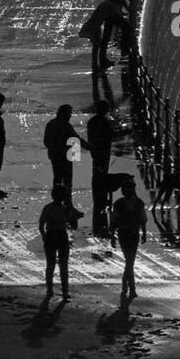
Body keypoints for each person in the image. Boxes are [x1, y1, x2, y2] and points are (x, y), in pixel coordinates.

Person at [44, 104, 89, 210]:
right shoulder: (66, 125)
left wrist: (54, 149)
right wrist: (89, 147)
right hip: (66, 156)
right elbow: (76, 139)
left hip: (56, 156)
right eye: (69, 113)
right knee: (67, 180)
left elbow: (46, 142)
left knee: (57, 178)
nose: (70, 116)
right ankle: (68, 203)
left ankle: (57, 200)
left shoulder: (51, 124)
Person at [111, 179, 148, 299]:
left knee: (129, 261)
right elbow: (114, 220)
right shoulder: (119, 204)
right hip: (124, 233)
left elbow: (143, 219)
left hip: (133, 233)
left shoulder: (138, 203)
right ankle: (130, 287)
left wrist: (144, 233)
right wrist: (112, 236)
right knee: (129, 260)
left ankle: (127, 286)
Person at [87, 100, 118, 237]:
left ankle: (99, 194)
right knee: (101, 173)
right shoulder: (103, 122)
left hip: (97, 152)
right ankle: (101, 196)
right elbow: (109, 136)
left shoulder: (93, 121)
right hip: (103, 153)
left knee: (98, 172)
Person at [78, 0, 129, 72]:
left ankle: (96, 64)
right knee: (97, 46)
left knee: (96, 46)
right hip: (94, 27)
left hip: (92, 25)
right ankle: (96, 65)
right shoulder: (110, 6)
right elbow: (119, 16)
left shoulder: (106, 4)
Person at [39, 185, 71, 299]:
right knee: (59, 265)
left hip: (56, 236)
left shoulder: (50, 208)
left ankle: (52, 290)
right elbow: (41, 225)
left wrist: (44, 236)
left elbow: (41, 225)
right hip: (58, 236)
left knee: (54, 265)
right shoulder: (63, 208)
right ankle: (61, 291)